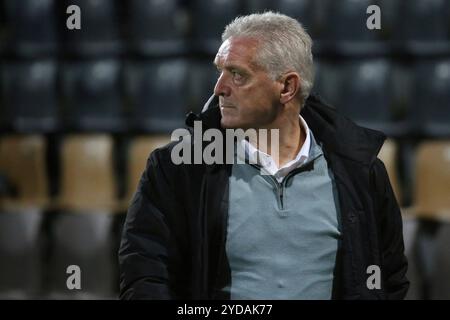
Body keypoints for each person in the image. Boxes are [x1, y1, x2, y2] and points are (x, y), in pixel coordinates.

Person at [118, 12, 409, 300]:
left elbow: (390, 277)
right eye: (220, 71)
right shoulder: (179, 168)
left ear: (287, 87)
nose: (219, 88)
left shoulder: (360, 171)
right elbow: (144, 273)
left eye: (238, 75)